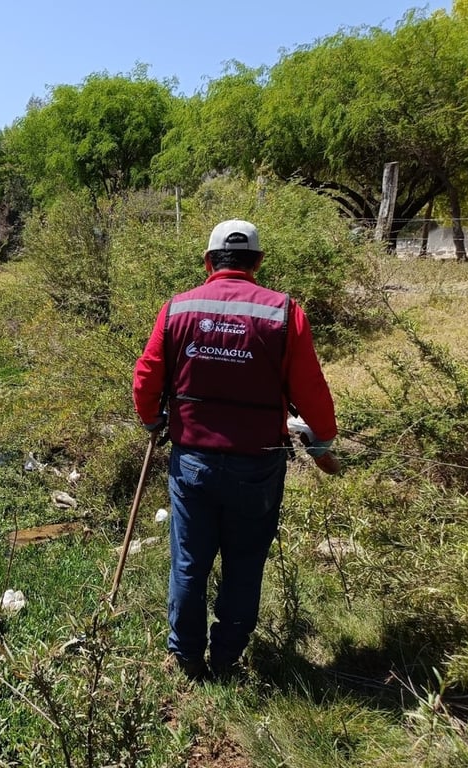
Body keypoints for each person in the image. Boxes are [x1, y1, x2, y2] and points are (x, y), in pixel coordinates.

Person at [132, 219, 338, 681]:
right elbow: (312, 390)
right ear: (258, 262)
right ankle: (227, 657)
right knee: (245, 564)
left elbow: (146, 376)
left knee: (189, 562)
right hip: (257, 467)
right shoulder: (285, 313)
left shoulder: (177, 310)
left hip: (192, 463)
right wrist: (322, 440)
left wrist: (152, 419)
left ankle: (186, 657)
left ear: (208, 262)